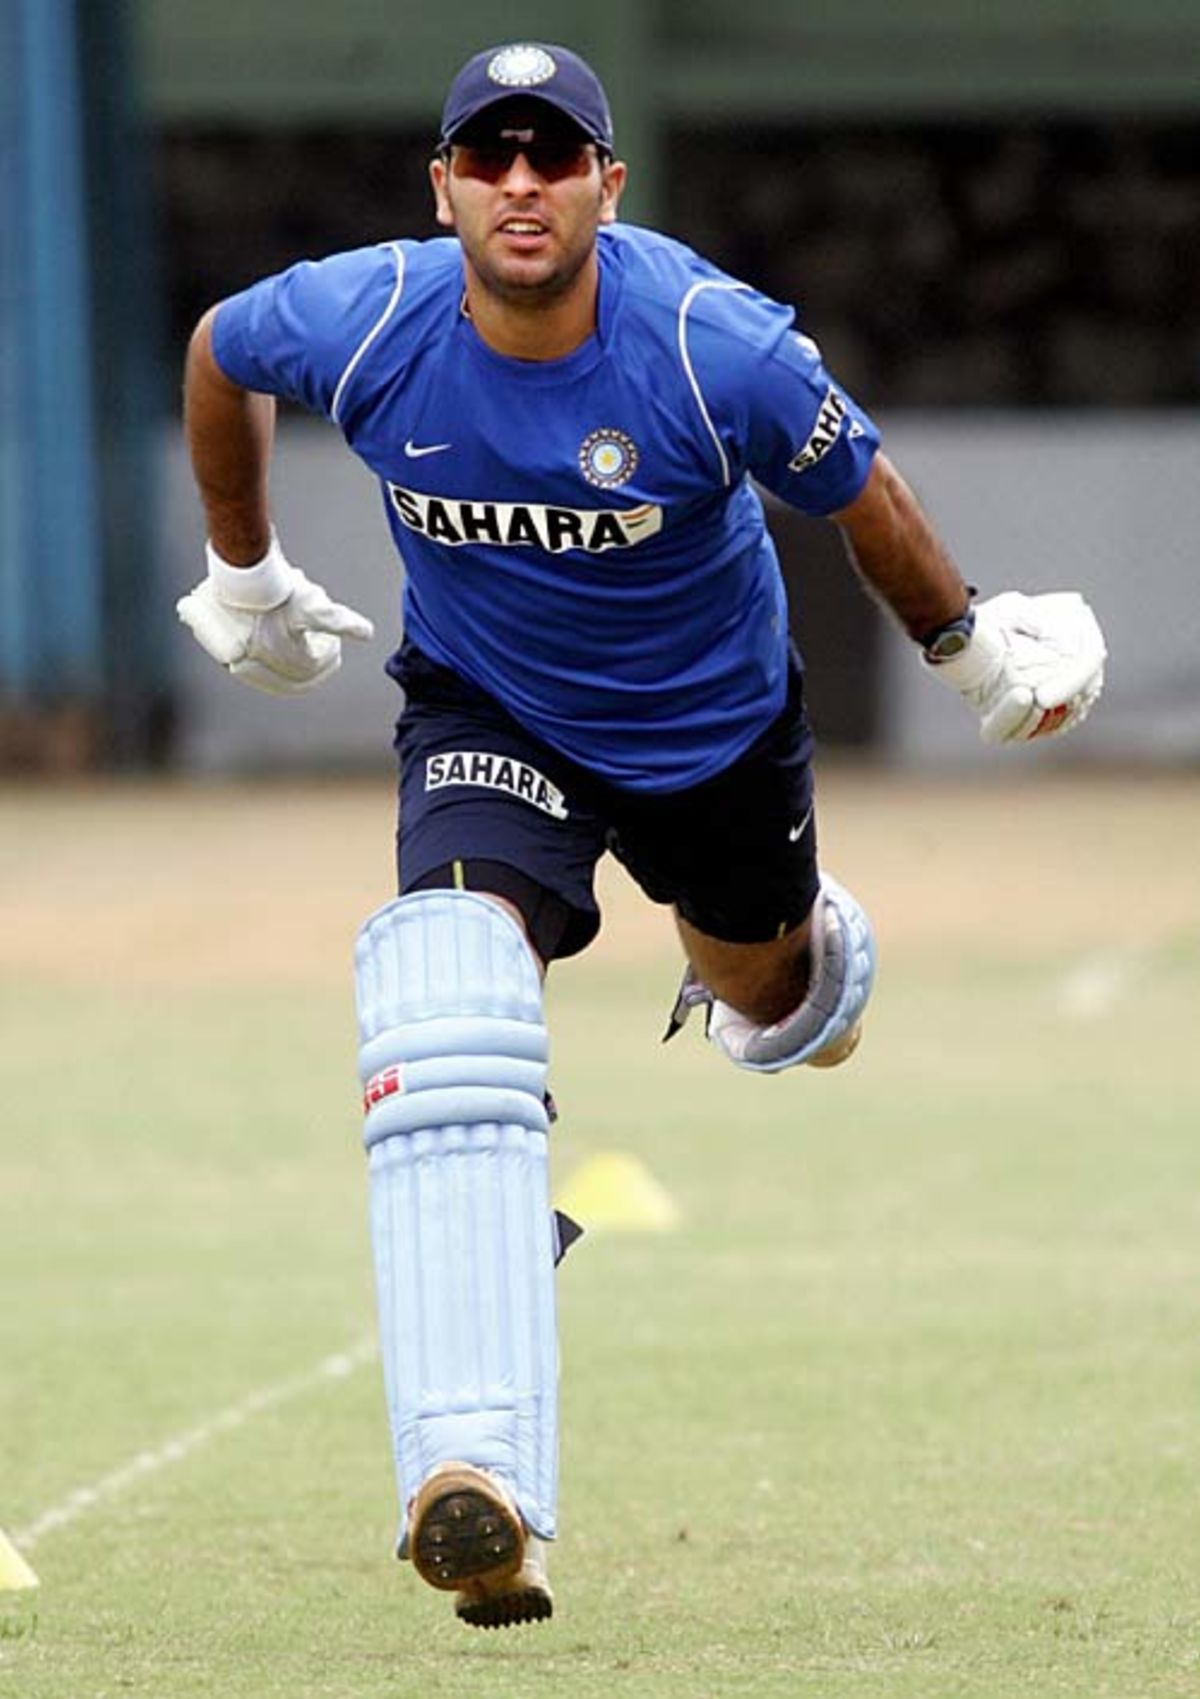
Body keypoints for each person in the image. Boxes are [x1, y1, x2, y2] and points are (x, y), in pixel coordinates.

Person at [178, 41, 1106, 1630]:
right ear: (445, 186)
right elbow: (217, 350)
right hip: (490, 715)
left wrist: (970, 651)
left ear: (610, 182)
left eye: (556, 157)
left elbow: (859, 487)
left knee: (771, 1001)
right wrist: (246, 569)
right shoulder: (369, 317)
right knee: (447, 981)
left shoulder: (703, 345)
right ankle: (474, 1481)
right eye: (491, 156)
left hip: (710, 738)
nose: (522, 184)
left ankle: (805, 961)